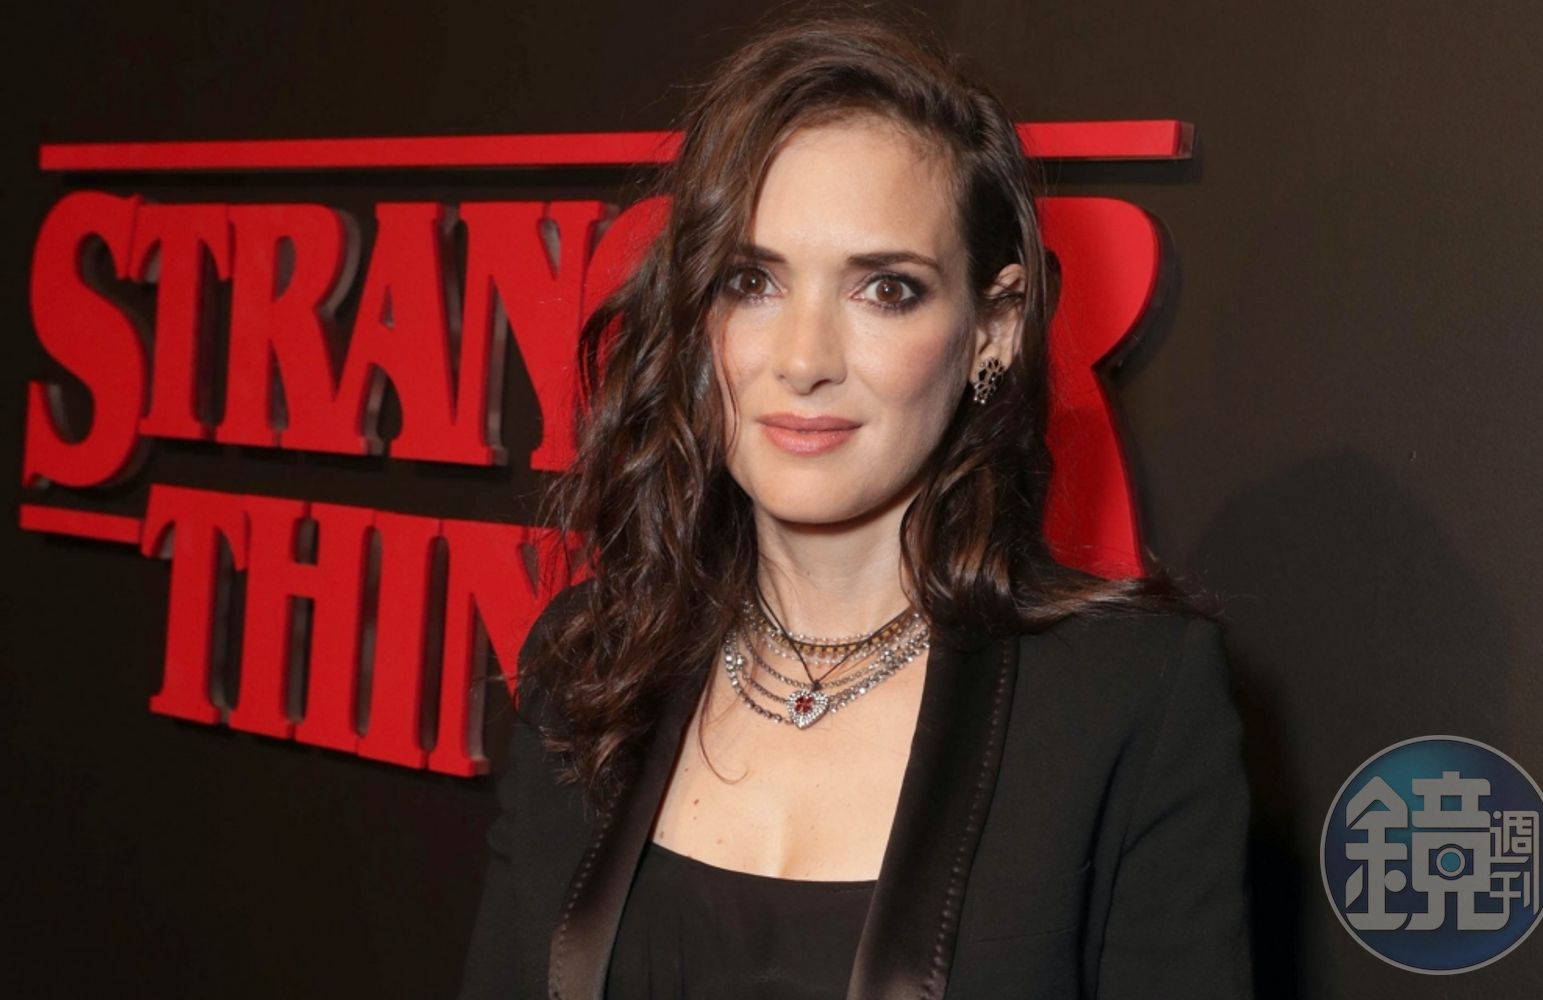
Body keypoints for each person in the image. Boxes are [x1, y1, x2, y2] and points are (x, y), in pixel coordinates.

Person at [460, 10, 1253, 999]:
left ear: (995, 328)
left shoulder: (1128, 700)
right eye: (752, 280)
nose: (804, 360)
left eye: (885, 290)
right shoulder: (591, 667)